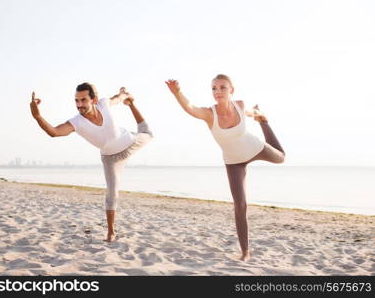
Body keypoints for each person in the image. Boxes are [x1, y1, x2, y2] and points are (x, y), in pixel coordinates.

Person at [165, 74, 285, 261]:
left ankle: (265, 122)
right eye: (214, 88)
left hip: (255, 148)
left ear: (231, 90)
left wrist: (257, 115)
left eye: (222, 87)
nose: (218, 92)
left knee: (281, 158)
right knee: (240, 205)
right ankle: (245, 252)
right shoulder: (209, 114)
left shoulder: (241, 105)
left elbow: (249, 113)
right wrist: (177, 92)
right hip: (234, 162)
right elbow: (190, 108)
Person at [30, 82, 153, 242]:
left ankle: (132, 105)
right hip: (111, 159)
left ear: (93, 100)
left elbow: (118, 98)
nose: (79, 105)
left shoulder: (103, 103)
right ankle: (111, 232)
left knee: (148, 133)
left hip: (130, 143)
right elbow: (54, 132)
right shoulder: (76, 122)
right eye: (76, 101)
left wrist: (126, 96)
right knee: (112, 194)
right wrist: (37, 116)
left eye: (83, 100)